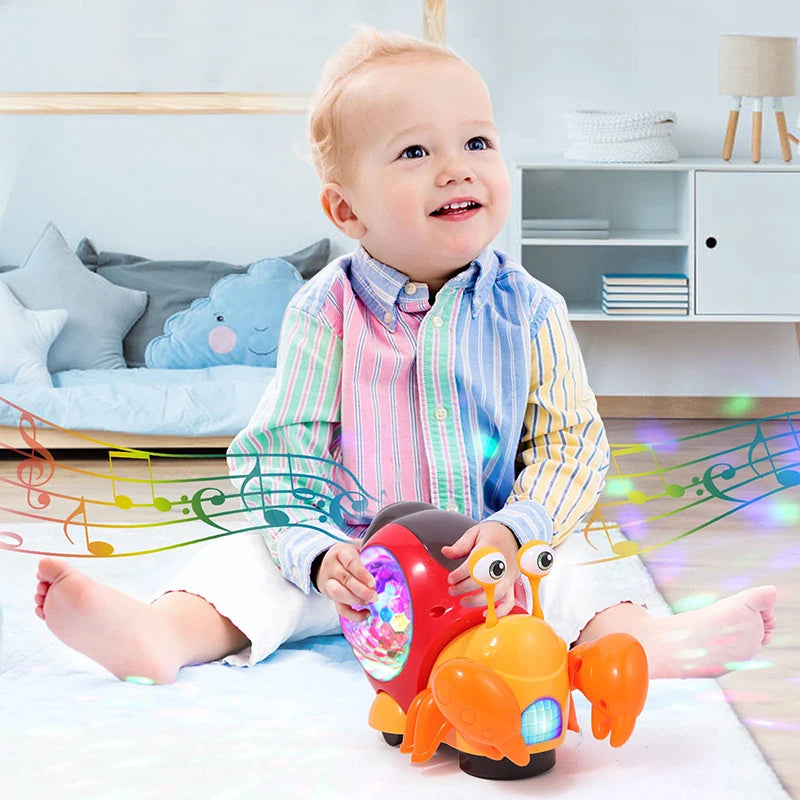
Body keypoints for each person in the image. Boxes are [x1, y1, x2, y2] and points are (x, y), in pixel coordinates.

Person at [33, 25, 776, 685]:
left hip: (491, 568)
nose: (456, 168)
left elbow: (570, 445)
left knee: (584, 556)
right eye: (416, 151)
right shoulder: (324, 312)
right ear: (345, 210)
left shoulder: (532, 309)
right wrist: (318, 556)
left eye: (476, 142)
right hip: (361, 569)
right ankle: (161, 634)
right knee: (244, 563)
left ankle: (642, 642)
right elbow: (276, 454)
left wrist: (520, 528)